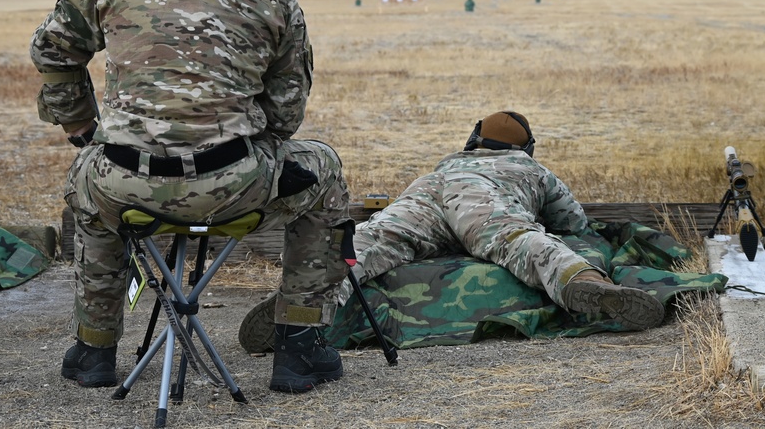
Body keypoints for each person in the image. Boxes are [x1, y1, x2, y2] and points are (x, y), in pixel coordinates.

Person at [30, 0, 351, 394]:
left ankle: (93, 349)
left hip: (124, 185)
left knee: (88, 179)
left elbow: (54, 53)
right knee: (321, 170)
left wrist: (84, 130)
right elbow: (287, 113)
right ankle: (300, 349)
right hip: (235, 186)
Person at [239, 111, 664, 353]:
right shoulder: (527, 167)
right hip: (478, 199)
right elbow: (572, 222)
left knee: (368, 243)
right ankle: (583, 283)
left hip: (426, 194)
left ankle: (297, 313)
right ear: (526, 148)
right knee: (516, 239)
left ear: (475, 138)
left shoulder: (448, 162)